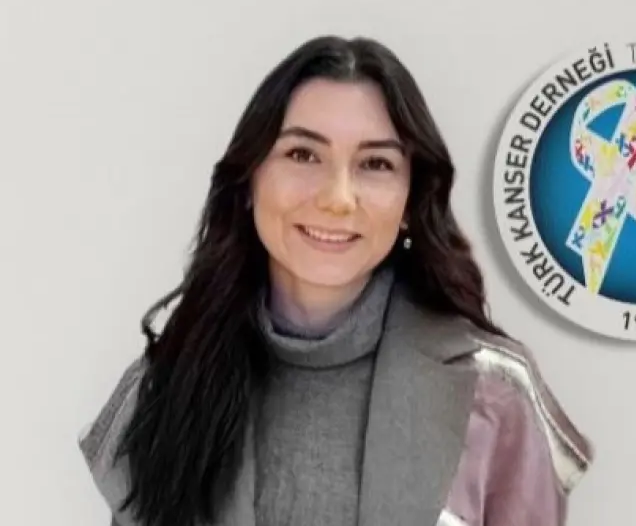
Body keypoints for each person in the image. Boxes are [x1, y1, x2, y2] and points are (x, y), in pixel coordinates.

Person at [77, 35, 594, 526]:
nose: (337, 198)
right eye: (303, 155)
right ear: (250, 181)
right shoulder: (168, 384)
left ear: (411, 199)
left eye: (375, 163)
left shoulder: (492, 392)